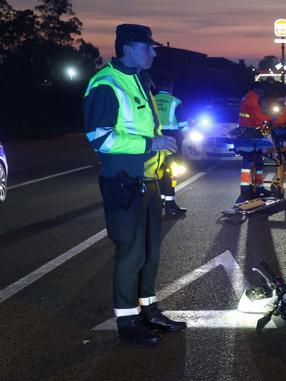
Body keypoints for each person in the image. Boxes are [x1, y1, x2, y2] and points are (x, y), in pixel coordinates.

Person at [83, 24, 186, 346]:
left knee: (150, 253)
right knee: (131, 253)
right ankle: (127, 323)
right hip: (123, 182)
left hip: (149, 180)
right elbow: (99, 138)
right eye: (148, 47)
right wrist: (150, 144)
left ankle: (150, 311)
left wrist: (161, 144)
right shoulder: (106, 83)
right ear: (128, 48)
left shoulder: (141, 81)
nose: (154, 52)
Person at [153, 77, 187, 215]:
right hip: (171, 141)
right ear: (170, 86)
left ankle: (160, 200)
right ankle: (170, 204)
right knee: (173, 172)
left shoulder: (151, 99)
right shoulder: (176, 102)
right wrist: (183, 138)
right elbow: (183, 124)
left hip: (154, 140)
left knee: (158, 171)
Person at [235, 81, 274, 204]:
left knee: (255, 162)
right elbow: (258, 118)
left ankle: (254, 188)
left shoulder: (248, 98)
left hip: (247, 134)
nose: (262, 94)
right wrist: (271, 118)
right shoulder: (252, 100)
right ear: (257, 89)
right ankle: (248, 190)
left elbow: (255, 118)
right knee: (250, 163)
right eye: (261, 91)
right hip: (250, 135)